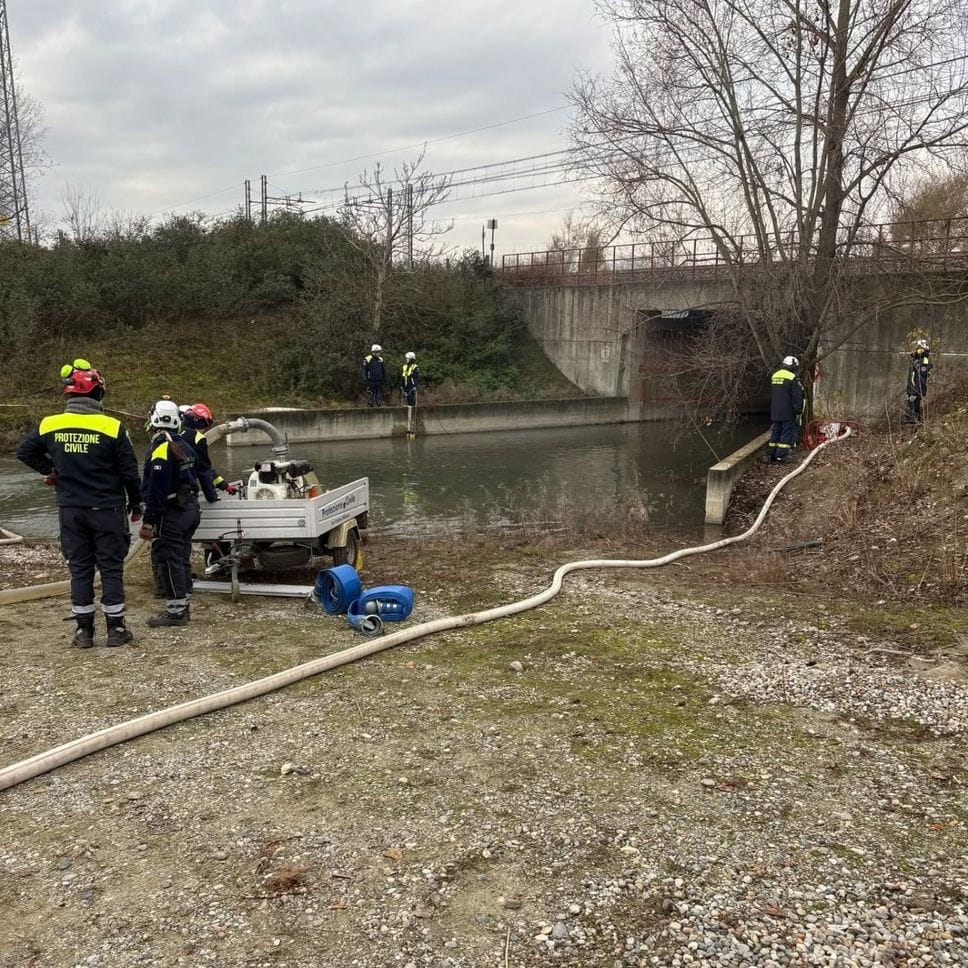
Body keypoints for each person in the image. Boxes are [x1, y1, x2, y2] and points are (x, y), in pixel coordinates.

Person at [16, 364, 143, 648]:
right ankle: (116, 629)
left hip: (70, 509)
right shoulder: (112, 427)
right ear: (97, 393)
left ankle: (84, 632)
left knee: (79, 567)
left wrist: (50, 469)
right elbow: (130, 473)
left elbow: (24, 451)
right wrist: (137, 504)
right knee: (110, 567)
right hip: (107, 509)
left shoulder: (50, 424)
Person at [140, 400, 202, 627]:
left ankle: (176, 611)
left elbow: (156, 491)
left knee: (170, 561)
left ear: (154, 421)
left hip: (172, 513)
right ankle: (184, 604)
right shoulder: (186, 446)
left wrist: (149, 522)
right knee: (182, 558)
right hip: (190, 510)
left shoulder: (160, 451)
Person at [765, 355, 804, 465]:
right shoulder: (792, 378)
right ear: (792, 366)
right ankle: (781, 456)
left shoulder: (775, 376)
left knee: (776, 431)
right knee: (787, 433)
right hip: (788, 411)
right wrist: (798, 411)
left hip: (775, 410)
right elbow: (796, 397)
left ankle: (771, 454)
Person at [905, 339, 933, 424]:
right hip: (913, 389)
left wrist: (914, 392)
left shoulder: (923, 362)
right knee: (915, 408)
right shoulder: (917, 361)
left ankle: (914, 423)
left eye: (917, 349)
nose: (915, 351)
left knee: (912, 408)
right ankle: (917, 424)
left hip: (916, 390)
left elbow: (920, 379)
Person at [401, 350, 419, 438]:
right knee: (408, 404)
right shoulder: (404, 367)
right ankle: (408, 428)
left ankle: (412, 428)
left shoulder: (415, 367)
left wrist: (415, 386)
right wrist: (402, 386)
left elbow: (416, 378)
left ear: (411, 359)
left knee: (412, 404)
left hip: (412, 388)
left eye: (408, 359)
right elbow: (402, 377)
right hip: (406, 388)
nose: (406, 360)